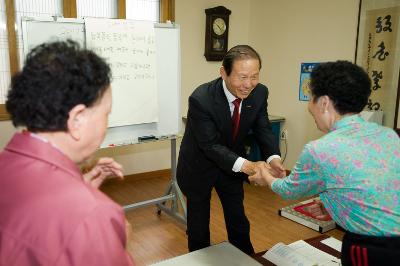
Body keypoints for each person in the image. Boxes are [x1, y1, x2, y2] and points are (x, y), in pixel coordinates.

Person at [249, 60, 400, 265]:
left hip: (373, 248)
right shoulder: (388, 135)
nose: (309, 105)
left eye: (311, 97)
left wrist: (264, 173)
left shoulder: (320, 150)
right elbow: (373, 187)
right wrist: (332, 203)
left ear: (324, 103)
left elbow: (288, 191)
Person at [0, 40, 134, 266]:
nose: (107, 124)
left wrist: (76, 187)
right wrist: (118, 244)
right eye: (106, 113)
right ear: (77, 119)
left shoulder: (6, 164)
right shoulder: (93, 216)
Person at [176, 45, 285, 254]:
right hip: (200, 166)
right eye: (242, 77)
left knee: (238, 222)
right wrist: (250, 166)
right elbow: (210, 145)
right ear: (223, 73)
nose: (248, 85)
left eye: (254, 76)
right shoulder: (201, 98)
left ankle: (246, 259)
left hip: (231, 166)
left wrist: (273, 159)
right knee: (198, 228)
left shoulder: (259, 92)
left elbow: (263, 127)